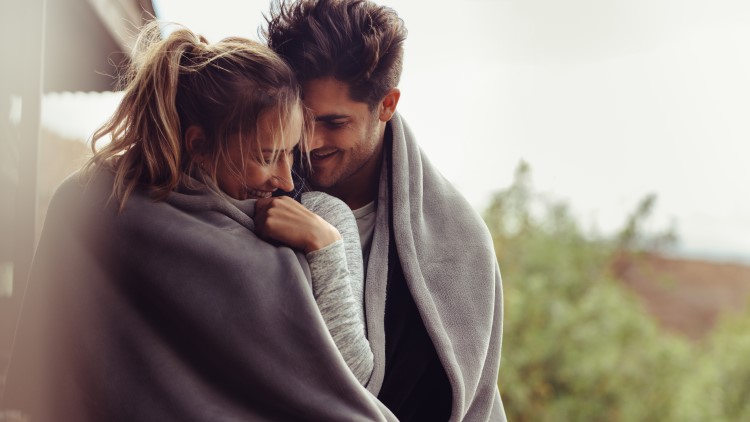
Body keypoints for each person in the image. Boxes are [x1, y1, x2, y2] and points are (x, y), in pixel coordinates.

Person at [2, 22, 392, 421]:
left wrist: (324, 245)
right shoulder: (95, 204)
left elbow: (353, 382)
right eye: (265, 155)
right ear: (199, 145)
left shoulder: (320, 220)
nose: (287, 178)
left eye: (291, 153)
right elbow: (49, 375)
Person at [264, 0, 507, 420]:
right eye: (301, 117)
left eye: (334, 123)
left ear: (387, 105)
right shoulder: (251, 188)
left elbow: (470, 399)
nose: (310, 140)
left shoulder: (460, 242)